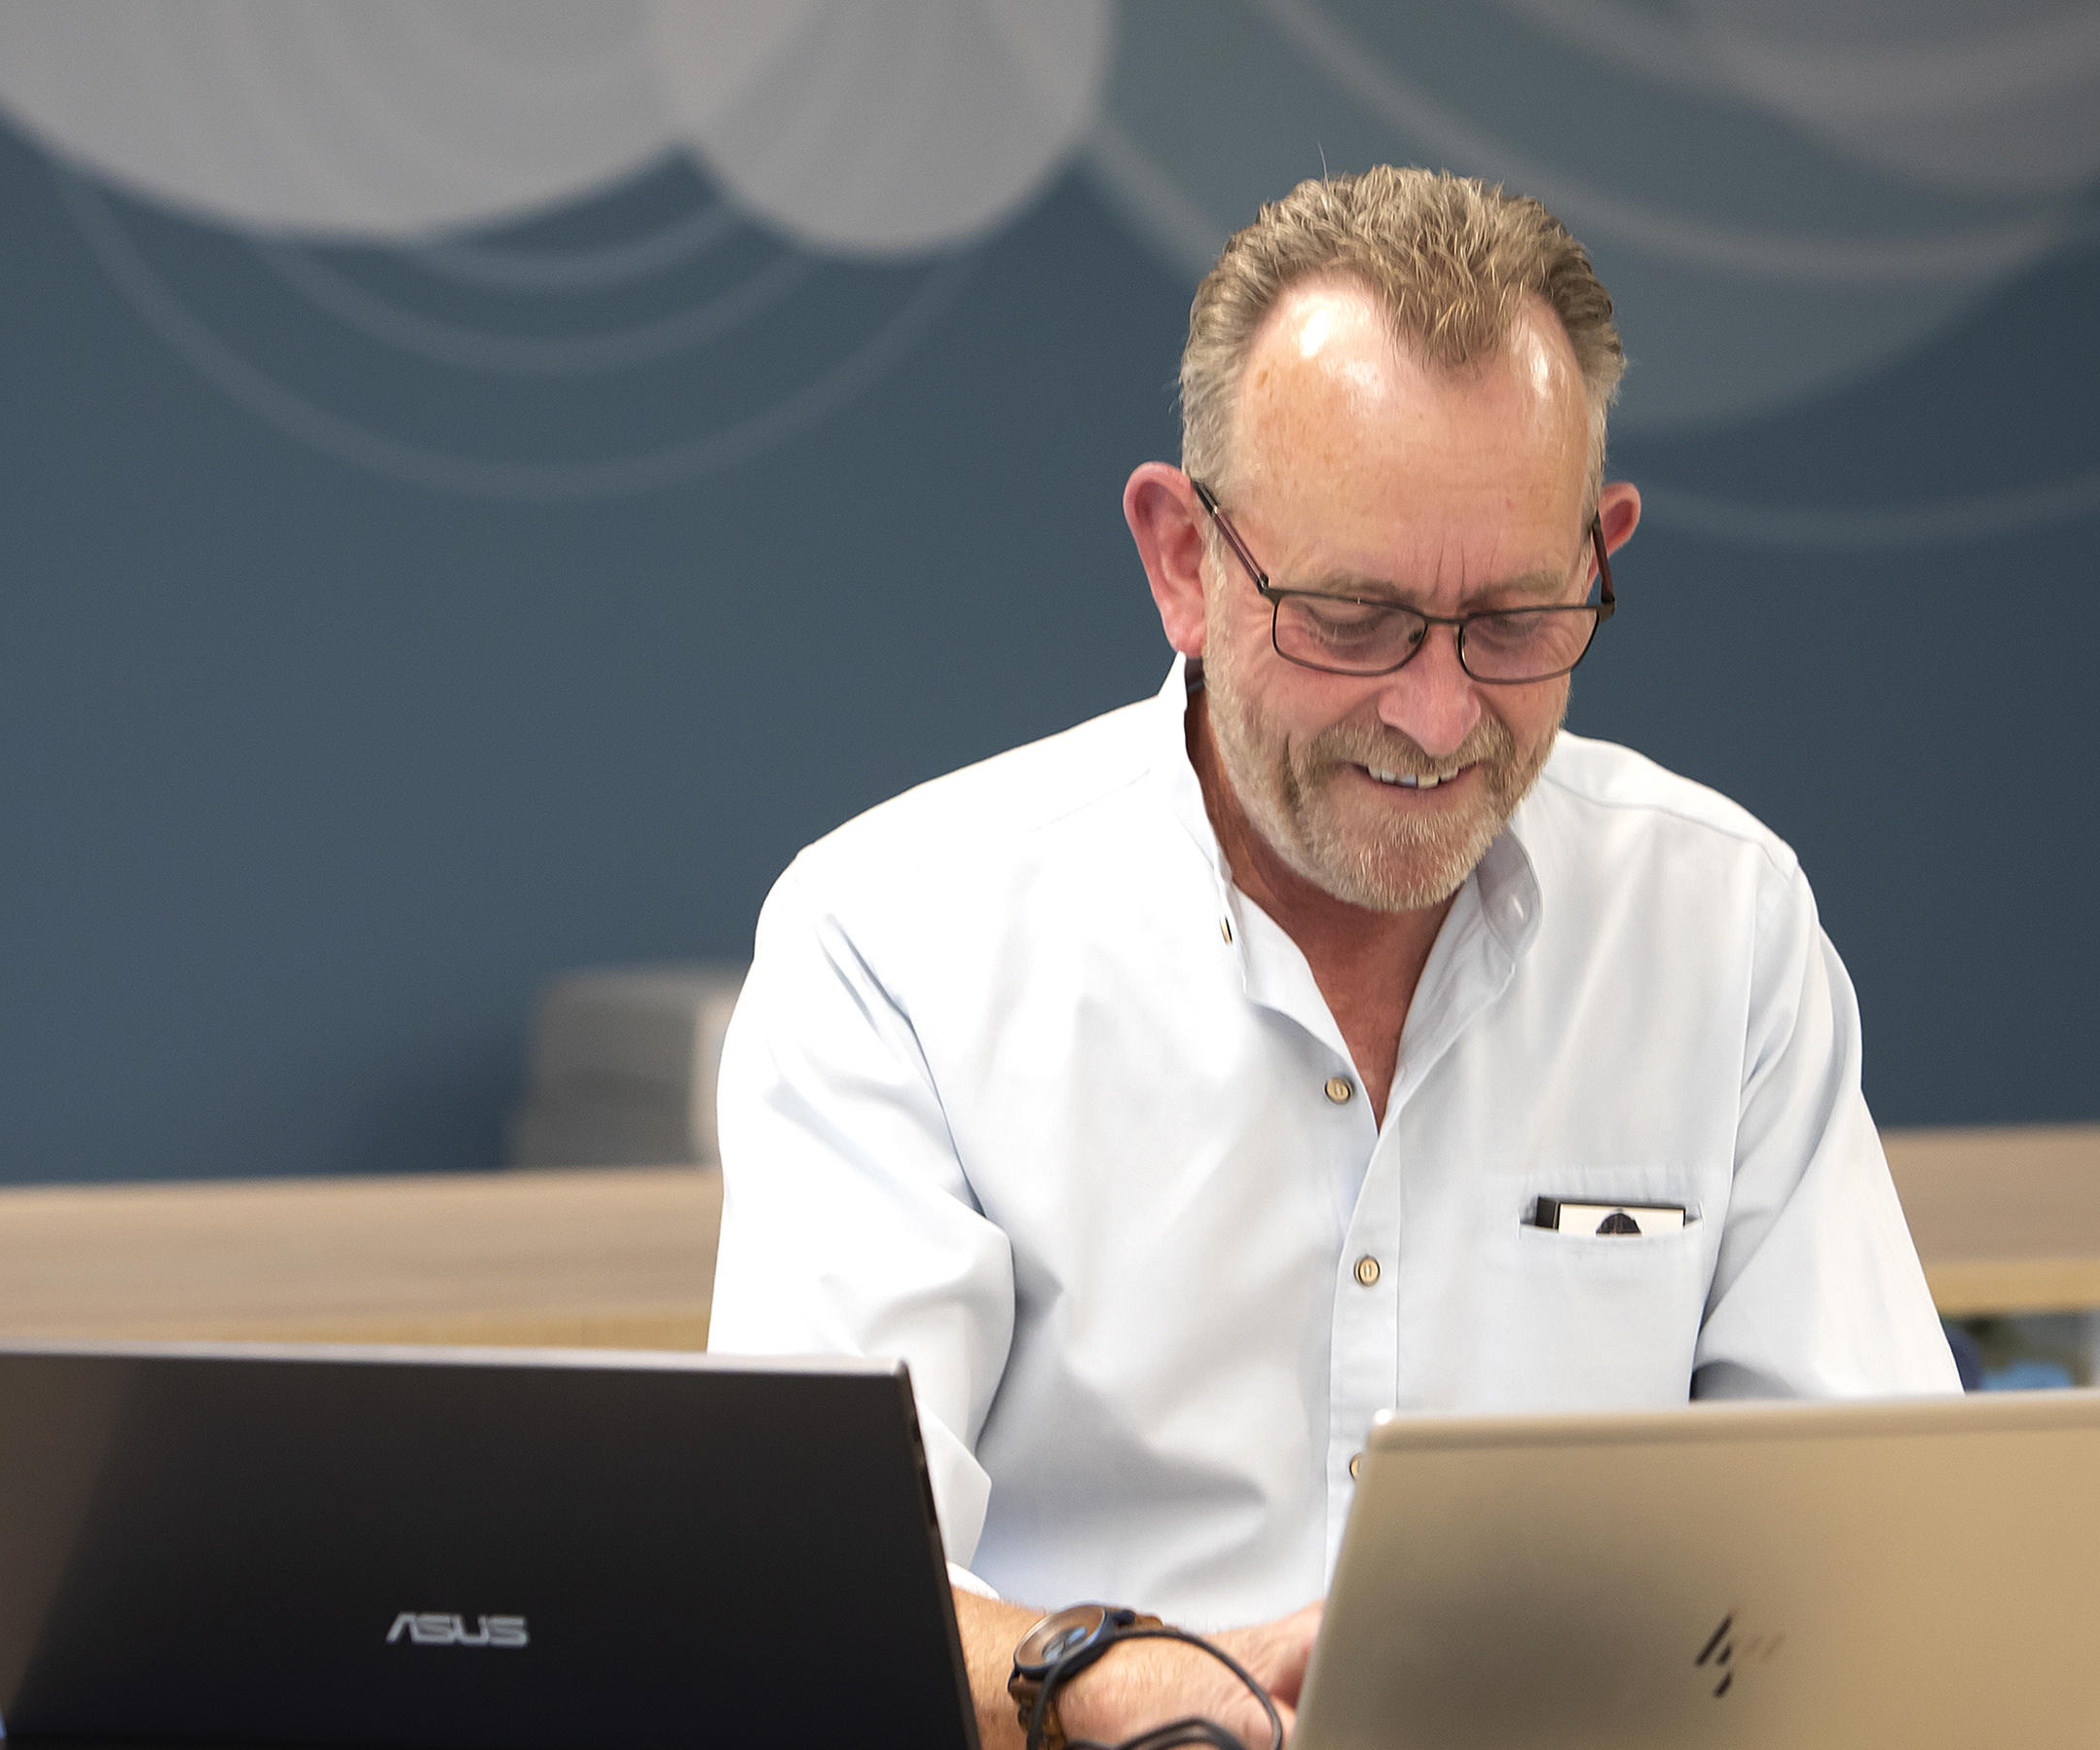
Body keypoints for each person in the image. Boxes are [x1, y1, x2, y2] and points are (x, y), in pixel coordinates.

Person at [708, 166, 1957, 1749]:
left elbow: (1886, 1542)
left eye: (1512, 621)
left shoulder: (1718, 921)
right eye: (1352, 621)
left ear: (1601, 547)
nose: (1436, 718)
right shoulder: (898, 935)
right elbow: (806, 1598)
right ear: (1182, 560)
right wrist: (1112, 1676)